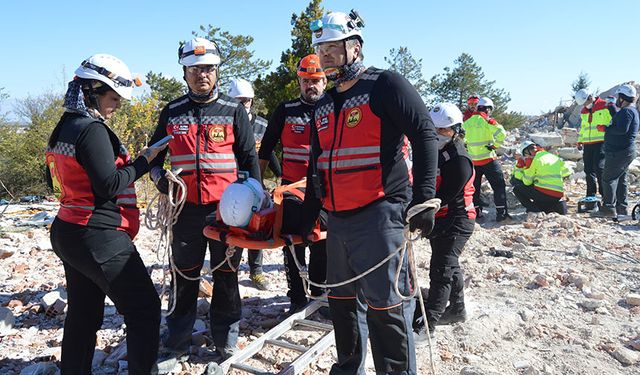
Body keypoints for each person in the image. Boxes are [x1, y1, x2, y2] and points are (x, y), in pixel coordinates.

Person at [303, 10, 438, 375]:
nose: (326, 55)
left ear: (355, 47)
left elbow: (425, 133)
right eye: (322, 49)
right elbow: (316, 165)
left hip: (381, 214)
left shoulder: (385, 85)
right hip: (338, 221)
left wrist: (424, 197)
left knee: (387, 308)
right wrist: (306, 216)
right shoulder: (325, 104)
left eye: (333, 47)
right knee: (343, 305)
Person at [45, 54, 163, 374]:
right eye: (114, 99)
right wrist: (145, 161)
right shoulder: (92, 129)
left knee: (84, 313)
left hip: (67, 229)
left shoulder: (63, 127)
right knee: (144, 309)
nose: (117, 106)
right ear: (93, 90)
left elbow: (53, 179)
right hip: (95, 234)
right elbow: (109, 184)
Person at [148, 37, 260, 365]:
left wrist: (256, 199)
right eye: (195, 70)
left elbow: (249, 159)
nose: (202, 75)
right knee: (185, 275)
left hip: (227, 211)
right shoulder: (172, 112)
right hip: (185, 210)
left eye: (209, 69)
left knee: (226, 274)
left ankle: (226, 341)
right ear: (184, 72)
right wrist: (159, 179)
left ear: (217, 71)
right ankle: (178, 343)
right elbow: (153, 159)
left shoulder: (233, 110)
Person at [258, 54, 328, 313]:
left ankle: (319, 294)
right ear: (299, 81)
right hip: (291, 189)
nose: (311, 86)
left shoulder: (332, 107)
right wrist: (257, 185)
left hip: (324, 190)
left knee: (322, 243)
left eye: (316, 80)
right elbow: (265, 148)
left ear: (324, 81)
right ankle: (297, 297)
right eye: (306, 80)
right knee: (292, 242)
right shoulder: (286, 110)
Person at [412, 103, 475, 343]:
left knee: (441, 269)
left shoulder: (459, 159)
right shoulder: (433, 152)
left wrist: (417, 212)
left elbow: (443, 195)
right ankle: (457, 310)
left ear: (456, 130)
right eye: (434, 129)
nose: (438, 134)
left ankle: (429, 325)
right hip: (440, 219)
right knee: (450, 265)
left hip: (456, 220)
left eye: (444, 131)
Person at [227, 78, 281, 291]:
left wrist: (280, 175)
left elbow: (269, 151)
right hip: (233, 183)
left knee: (258, 224)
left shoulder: (262, 125)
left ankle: (256, 271)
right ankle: (229, 268)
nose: (242, 105)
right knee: (234, 225)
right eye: (238, 101)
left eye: (246, 101)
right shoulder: (225, 121)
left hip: (257, 181)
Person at [591, 84, 639, 218]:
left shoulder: (627, 111)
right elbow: (620, 122)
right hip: (624, 151)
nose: (617, 99)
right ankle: (622, 208)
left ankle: (608, 209)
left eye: (619, 97)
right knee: (621, 178)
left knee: (608, 179)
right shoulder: (629, 111)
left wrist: (605, 129)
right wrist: (612, 108)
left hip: (619, 152)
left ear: (623, 98)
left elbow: (622, 129)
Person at [462, 97, 510, 221]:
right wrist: (495, 145)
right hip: (489, 160)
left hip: (473, 162)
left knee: (474, 188)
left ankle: (476, 213)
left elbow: (462, 137)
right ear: (488, 109)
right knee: (498, 186)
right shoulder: (488, 121)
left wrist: (468, 148)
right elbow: (502, 133)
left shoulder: (467, 122)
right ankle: (501, 214)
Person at [512, 141, 570, 214]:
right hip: (558, 194)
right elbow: (567, 171)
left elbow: (527, 182)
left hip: (545, 193)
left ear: (527, 151)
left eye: (525, 155)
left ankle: (535, 211)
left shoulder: (536, 159)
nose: (526, 157)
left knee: (517, 189)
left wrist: (524, 168)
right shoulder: (553, 156)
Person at [574, 88, 612, 199]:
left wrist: (606, 129)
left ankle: (604, 194)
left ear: (591, 97)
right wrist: (580, 140)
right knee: (588, 169)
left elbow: (612, 122)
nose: (585, 106)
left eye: (586, 103)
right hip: (588, 143)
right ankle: (591, 194)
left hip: (601, 142)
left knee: (599, 168)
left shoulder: (605, 106)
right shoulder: (584, 111)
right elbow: (584, 128)